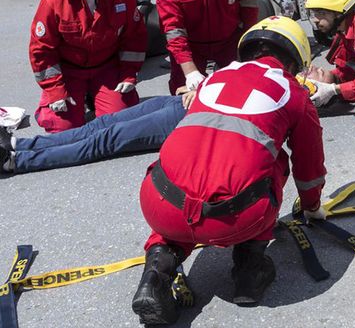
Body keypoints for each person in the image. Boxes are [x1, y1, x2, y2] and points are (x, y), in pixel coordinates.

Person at [132, 16, 326, 323]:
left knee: (187, 175)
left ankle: (156, 270)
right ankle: (249, 268)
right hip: (234, 219)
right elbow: (309, 164)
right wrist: (312, 207)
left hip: (158, 203)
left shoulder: (214, 78)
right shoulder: (294, 94)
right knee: (276, 162)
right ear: (296, 60)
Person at [29, 0, 146, 132]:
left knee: (120, 123)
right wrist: (55, 90)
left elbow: (134, 37)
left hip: (107, 68)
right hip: (69, 71)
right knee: (63, 128)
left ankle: (95, 96)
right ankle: (53, 104)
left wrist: (128, 75)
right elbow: (42, 51)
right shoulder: (55, 1)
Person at [0, 93, 191, 175]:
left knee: (106, 138)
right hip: (191, 98)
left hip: (197, 116)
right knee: (102, 123)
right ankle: (17, 144)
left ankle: (15, 162)